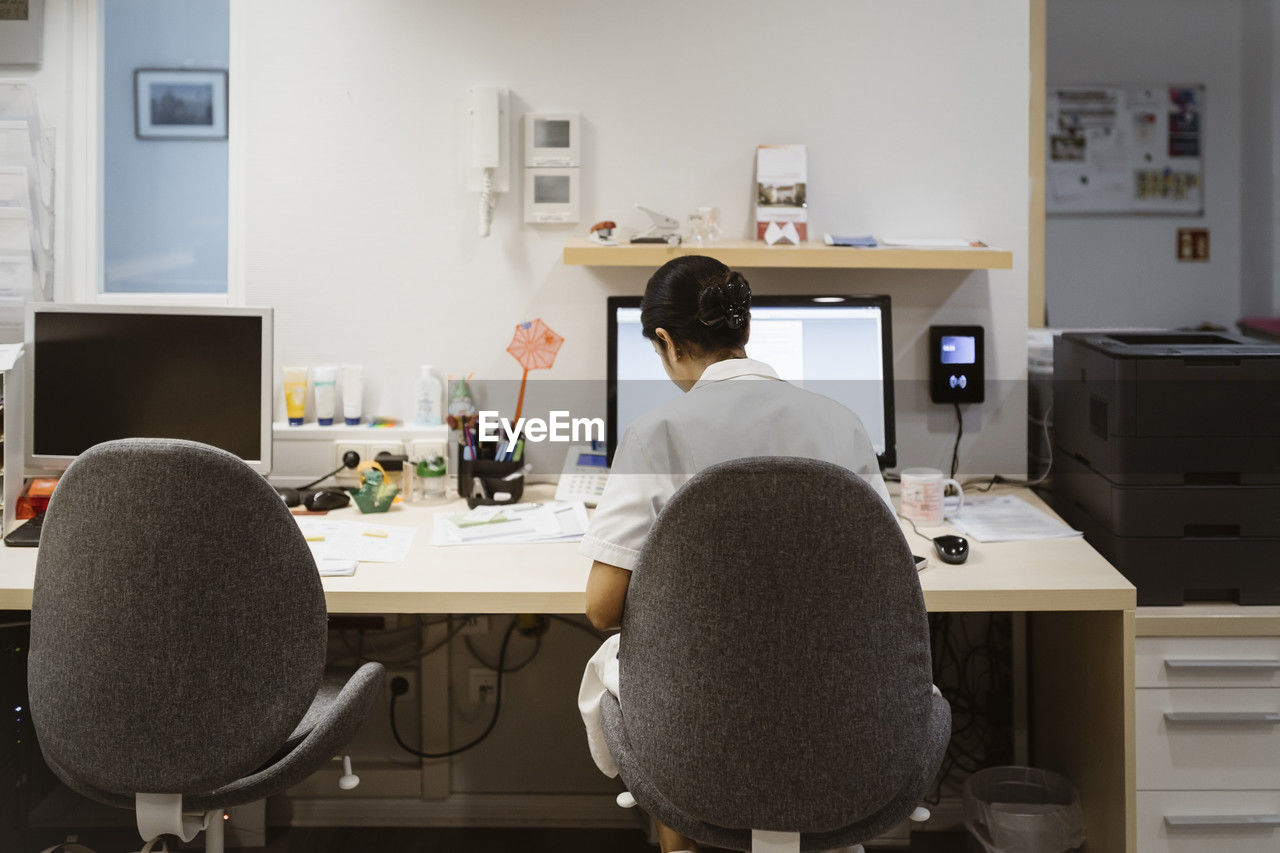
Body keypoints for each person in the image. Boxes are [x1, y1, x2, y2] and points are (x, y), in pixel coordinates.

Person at [576, 255, 891, 853]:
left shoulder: (656, 433)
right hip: (833, 721)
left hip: (700, 734)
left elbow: (602, 608)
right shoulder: (842, 425)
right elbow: (885, 582)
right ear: (745, 330)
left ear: (665, 341)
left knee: (662, 689)